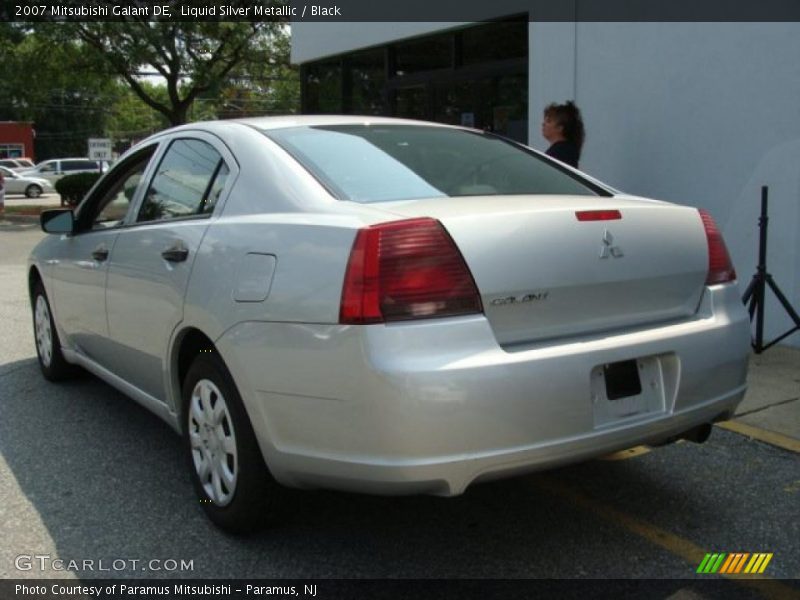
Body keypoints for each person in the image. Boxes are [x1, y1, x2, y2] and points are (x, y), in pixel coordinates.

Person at [541, 101, 585, 168]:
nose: (543, 124)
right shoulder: (567, 150)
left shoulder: (558, 153)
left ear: (560, 128)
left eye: (549, 121)